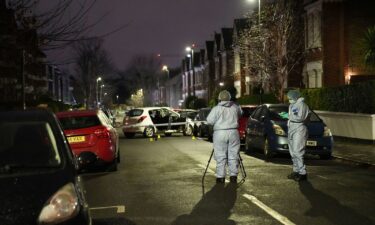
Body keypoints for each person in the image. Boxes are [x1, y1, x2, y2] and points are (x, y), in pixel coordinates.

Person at [207, 90, 242, 184]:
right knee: (233, 154)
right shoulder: (235, 107)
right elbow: (240, 114)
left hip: (220, 133)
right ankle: (233, 176)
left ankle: (220, 177)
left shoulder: (216, 109)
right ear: (230, 98)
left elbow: (209, 121)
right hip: (233, 132)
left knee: (220, 155)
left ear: (219, 98)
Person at [286, 89, 310, 182]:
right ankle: (296, 171)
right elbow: (293, 116)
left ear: (295, 97)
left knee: (297, 151)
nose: (289, 100)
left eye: (290, 98)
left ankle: (302, 173)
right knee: (292, 152)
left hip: (299, 129)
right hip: (292, 128)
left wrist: (288, 116)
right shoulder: (293, 105)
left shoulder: (302, 105)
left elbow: (300, 118)